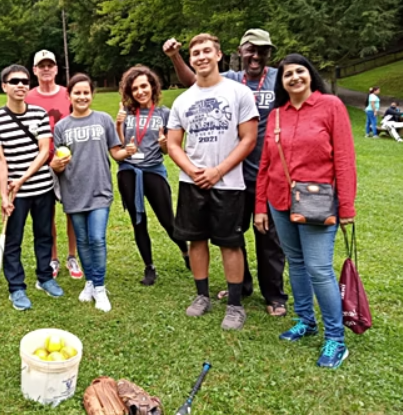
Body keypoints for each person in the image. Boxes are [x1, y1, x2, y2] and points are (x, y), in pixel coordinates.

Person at [163, 28, 288, 316]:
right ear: (191, 59)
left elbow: (248, 138)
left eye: (207, 51)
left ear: (219, 55)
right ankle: (202, 296)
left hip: (232, 180)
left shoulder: (240, 91)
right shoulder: (183, 100)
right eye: (196, 53)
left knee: (233, 242)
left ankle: (237, 304)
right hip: (192, 182)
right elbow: (173, 144)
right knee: (197, 239)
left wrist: (217, 171)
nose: (202, 57)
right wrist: (194, 171)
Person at [254, 53, 356, 368]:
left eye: (300, 71)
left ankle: (336, 339)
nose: (295, 77)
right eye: (288, 75)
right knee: (295, 264)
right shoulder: (276, 116)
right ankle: (306, 321)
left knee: (319, 269)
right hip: (280, 200)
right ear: (281, 82)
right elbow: (266, 164)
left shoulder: (331, 106)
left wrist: (347, 206)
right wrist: (260, 206)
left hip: (317, 201)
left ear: (310, 74)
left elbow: (344, 157)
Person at [50, 73, 136, 312]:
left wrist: (127, 152)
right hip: (74, 192)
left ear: (92, 94)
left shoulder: (103, 120)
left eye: (86, 92)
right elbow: (58, 162)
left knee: (97, 239)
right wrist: (55, 166)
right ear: (69, 95)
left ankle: (99, 287)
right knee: (84, 242)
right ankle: (89, 281)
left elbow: (115, 153)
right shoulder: (61, 127)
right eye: (77, 92)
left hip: (99, 190)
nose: (82, 96)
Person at [0, 64, 64, 311]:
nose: (20, 84)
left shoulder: (39, 114)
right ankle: (16, 288)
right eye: (14, 81)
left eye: (24, 81)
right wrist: (3, 194)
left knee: (44, 235)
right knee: (13, 240)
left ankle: (44, 278)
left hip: (42, 188)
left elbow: (43, 152)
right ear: (4, 86)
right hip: (15, 194)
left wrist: (22, 179)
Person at [115, 65, 190, 286]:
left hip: (153, 171)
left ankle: (184, 251)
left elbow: (168, 150)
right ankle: (149, 267)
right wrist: (119, 124)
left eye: (144, 86)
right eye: (135, 88)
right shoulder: (126, 113)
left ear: (152, 86)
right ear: (130, 91)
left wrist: (164, 145)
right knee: (138, 221)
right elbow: (118, 145)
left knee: (168, 220)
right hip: (129, 171)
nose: (140, 92)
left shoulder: (164, 114)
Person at [26, 50, 83, 279]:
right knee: (46, 214)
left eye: (50, 64)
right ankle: (52, 258)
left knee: (72, 211)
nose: (46, 69)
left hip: (70, 161)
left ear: (57, 69)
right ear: (35, 70)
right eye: (42, 65)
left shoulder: (68, 94)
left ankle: (72, 256)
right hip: (41, 163)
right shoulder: (28, 97)